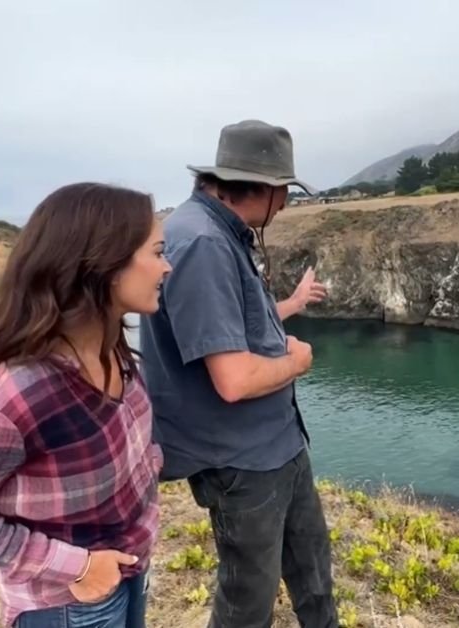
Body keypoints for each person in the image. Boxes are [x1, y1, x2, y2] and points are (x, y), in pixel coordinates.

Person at [0, 182, 171, 628]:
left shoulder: (112, 350)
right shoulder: (18, 393)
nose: (166, 267)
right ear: (105, 266)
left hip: (126, 571)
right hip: (65, 604)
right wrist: (77, 566)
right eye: (158, 251)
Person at [139, 120, 335, 628]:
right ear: (265, 189)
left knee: (311, 562)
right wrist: (297, 361)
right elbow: (233, 380)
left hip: (276, 443)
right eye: (284, 192)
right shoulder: (202, 243)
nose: (286, 205)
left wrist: (285, 308)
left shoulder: (212, 231)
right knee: (248, 598)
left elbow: (232, 323)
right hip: (241, 459)